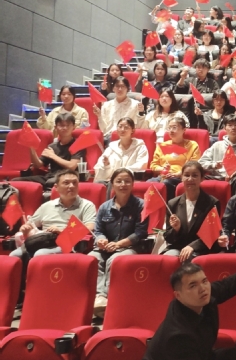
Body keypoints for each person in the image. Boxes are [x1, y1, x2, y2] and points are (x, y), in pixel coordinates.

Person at [90, 168, 148, 313]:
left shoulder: (141, 205)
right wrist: (101, 240)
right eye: (119, 181)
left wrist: (118, 244)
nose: (123, 184)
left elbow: (140, 233)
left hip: (130, 248)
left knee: (115, 260)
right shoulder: (104, 207)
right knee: (93, 258)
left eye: (127, 181)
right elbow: (98, 231)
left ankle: (110, 298)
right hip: (106, 247)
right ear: (112, 184)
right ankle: (99, 297)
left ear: (133, 184)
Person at [10, 169, 96, 260]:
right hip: (44, 241)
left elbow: (89, 227)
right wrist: (25, 228)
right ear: (56, 187)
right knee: (14, 255)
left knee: (40, 254)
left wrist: (61, 231)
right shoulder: (47, 205)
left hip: (67, 242)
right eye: (66, 183)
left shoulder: (87, 205)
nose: (71, 186)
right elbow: (30, 224)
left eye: (75, 183)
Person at [163, 162, 221, 261]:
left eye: (195, 175)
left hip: (202, 249)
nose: (190, 179)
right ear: (181, 178)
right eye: (186, 175)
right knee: (168, 259)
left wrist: (193, 246)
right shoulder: (173, 203)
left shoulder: (212, 203)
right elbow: (168, 238)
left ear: (202, 178)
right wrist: (176, 229)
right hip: (178, 247)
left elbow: (212, 234)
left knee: (188, 258)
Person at [12, 112, 83, 191]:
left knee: (51, 182)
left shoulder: (78, 145)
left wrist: (52, 156)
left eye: (68, 125)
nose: (65, 128)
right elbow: (38, 164)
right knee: (16, 181)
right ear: (55, 127)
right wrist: (31, 148)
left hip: (67, 177)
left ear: (74, 127)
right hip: (49, 177)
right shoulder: (52, 146)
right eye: (61, 125)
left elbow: (72, 166)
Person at [198, 114, 236, 194]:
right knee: (197, 177)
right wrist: (214, 165)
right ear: (224, 128)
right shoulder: (217, 145)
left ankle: (234, 201)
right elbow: (201, 163)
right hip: (219, 176)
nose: (233, 128)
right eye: (230, 125)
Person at [150, 116, 201, 200]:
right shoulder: (162, 145)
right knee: (149, 183)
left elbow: (194, 165)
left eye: (174, 127)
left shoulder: (192, 145)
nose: (171, 130)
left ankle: (169, 207)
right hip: (162, 176)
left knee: (166, 183)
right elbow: (153, 165)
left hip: (181, 177)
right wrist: (163, 169)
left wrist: (179, 173)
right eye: (169, 128)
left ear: (184, 130)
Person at [94, 117, 150, 184]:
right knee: (99, 183)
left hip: (131, 181)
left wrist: (121, 172)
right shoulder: (112, 147)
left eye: (126, 127)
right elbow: (100, 165)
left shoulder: (140, 146)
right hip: (112, 181)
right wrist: (107, 165)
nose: (122, 130)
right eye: (120, 127)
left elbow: (141, 165)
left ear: (132, 130)